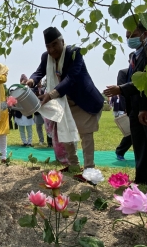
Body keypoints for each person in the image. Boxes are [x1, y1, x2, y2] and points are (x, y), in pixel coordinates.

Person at [27, 26, 103, 171]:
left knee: (86, 135)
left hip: (83, 100)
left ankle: (89, 169)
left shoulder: (75, 52)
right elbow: (39, 72)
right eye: (48, 46)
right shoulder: (46, 57)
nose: (51, 50)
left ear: (62, 41)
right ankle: (73, 165)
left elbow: (71, 78)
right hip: (63, 103)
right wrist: (31, 81)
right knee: (65, 133)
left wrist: (51, 94)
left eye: (54, 44)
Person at [104, 22, 147, 185]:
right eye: (127, 36)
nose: (129, 39)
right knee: (139, 145)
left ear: (145, 34)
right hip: (134, 109)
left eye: (133, 35)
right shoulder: (134, 56)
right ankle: (142, 179)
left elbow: (145, 81)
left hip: (145, 109)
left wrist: (121, 89)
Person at [114, 53, 134, 161]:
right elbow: (121, 91)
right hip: (131, 106)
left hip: (143, 105)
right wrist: (125, 107)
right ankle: (120, 151)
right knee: (131, 132)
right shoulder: (124, 73)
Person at [14, 74, 35, 146]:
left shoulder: (29, 90)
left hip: (27, 113)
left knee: (29, 129)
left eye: (25, 81)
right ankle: (24, 142)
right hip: (19, 113)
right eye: (22, 81)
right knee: (21, 129)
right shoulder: (16, 89)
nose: (23, 82)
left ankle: (30, 142)